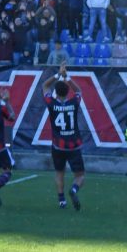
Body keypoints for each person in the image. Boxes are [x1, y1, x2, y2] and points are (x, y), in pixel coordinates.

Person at [41, 65, 84, 210]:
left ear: (56, 93)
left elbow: (45, 86)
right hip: (73, 145)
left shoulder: (51, 103)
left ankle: (61, 201)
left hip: (58, 145)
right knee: (80, 175)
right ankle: (74, 190)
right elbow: (78, 91)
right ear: (67, 92)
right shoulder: (74, 103)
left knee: (59, 173)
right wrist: (67, 77)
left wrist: (58, 75)